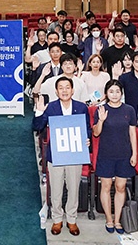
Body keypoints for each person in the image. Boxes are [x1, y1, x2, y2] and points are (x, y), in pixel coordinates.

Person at [33, 76, 90, 236]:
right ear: (56, 91)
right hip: (56, 155)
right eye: (61, 88)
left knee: (73, 188)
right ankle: (57, 219)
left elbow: (87, 128)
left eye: (67, 87)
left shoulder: (81, 107)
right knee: (56, 189)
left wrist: (87, 139)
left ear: (72, 90)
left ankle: (71, 219)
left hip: (75, 155)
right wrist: (39, 111)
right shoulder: (51, 107)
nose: (64, 90)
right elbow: (37, 126)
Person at [93, 80, 137, 234]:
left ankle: (118, 220)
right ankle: (108, 219)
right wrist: (101, 120)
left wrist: (135, 153)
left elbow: (132, 133)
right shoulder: (101, 109)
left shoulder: (129, 110)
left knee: (121, 187)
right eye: (111, 91)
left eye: (117, 91)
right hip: (106, 154)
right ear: (106, 94)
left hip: (124, 154)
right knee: (105, 187)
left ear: (121, 93)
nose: (114, 94)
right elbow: (96, 133)